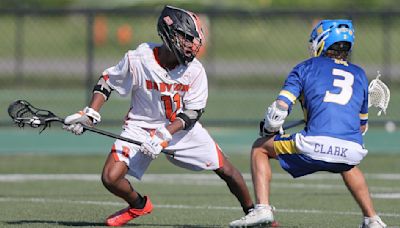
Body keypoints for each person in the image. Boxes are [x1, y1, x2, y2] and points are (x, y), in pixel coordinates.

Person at [62, 5, 254, 227]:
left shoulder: (195, 70)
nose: (192, 45)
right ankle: (138, 204)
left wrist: (165, 133)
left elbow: (192, 112)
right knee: (110, 177)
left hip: (179, 130)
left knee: (226, 170)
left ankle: (253, 212)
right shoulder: (139, 58)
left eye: (194, 40)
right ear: (170, 33)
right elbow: (107, 81)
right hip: (140, 127)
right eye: (187, 38)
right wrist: (91, 113)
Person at [229, 19, 387, 228]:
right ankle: (372, 219)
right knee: (348, 165)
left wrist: (269, 129)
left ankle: (263, 209)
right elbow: (362, 127)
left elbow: (279, 110)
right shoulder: (359, 74)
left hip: (313, 145)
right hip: (352, 150)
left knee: (260, 148)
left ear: (323, 41)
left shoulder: (305, 68)